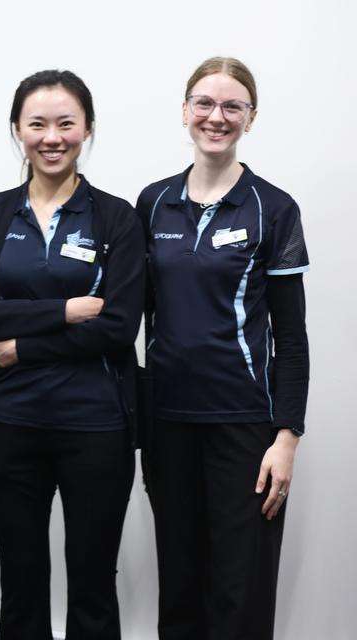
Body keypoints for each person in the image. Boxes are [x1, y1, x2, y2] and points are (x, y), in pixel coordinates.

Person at [0, 70, 144, 639]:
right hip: (12, 423)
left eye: (66, 123)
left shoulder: (116, 218)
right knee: (20, 579)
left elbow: (116, 326)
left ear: (87, 129)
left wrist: (23, 346)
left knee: (92, 581)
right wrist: (64, 311)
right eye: (37, 124)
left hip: (97, 425)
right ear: (18, 130)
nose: (52, 136)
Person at [137, 56, 310, 640]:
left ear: (250, 118)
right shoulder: (152, 203)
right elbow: (133, 315)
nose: (217, 117)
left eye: (232, 106)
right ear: (185, 111)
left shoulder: (275, 208)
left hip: (244, 426)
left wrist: (286, 436)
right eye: (205, 104)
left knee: (241, 589)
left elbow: (291, 336)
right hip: (166, 422)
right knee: (180, 583)